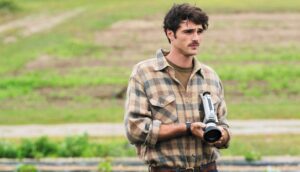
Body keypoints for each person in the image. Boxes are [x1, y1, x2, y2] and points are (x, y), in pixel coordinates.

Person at [124, 3, 230, 172]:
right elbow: (135, 130)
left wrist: (219, 136)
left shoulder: (210, 76)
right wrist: (187, 128)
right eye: (188, 32)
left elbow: (224, 128)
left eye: (199, 31)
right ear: (170, 34)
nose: (195, 38)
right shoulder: (144, 73)